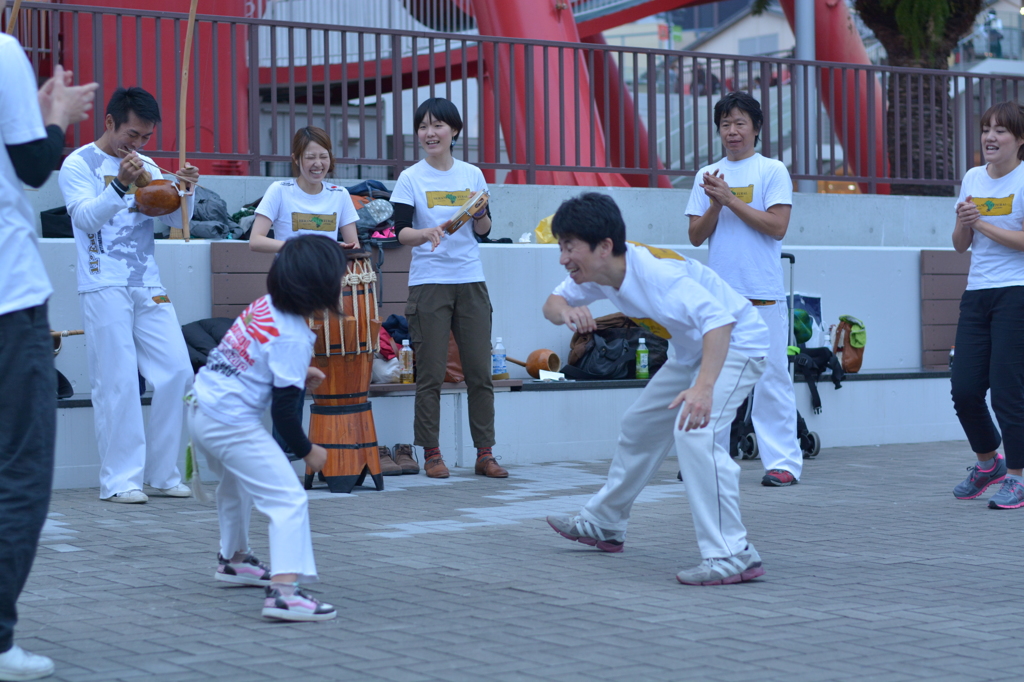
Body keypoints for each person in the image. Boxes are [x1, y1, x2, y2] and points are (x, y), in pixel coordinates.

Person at [542, 193, 770, 585]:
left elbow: (720, 323)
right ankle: (605, 523)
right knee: (639, 425)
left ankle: (733, 553)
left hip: (738, 345)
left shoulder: (658, 275)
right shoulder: (599, 273)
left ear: (604, 247)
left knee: (695, 433)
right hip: (692, 352)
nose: (563, 258)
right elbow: (552, 302)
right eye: (561, 247)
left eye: (569, 247)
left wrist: (703, 388)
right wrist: (567, 312)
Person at [0, 36, 98, 681]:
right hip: (8, 302)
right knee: (20, 470)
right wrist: (55, 116)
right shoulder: (3, 51)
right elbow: (35, 165)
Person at [188, 235, 342, 621]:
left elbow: (252, 355)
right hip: (230, 424)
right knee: (289, 500)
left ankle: (234, 559)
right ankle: (285, 594)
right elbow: (286, 415)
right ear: (318, 287)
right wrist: (309, 452)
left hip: (201, 410)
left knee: (235, 484)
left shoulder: (265, 306)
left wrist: (297, 372)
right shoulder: (293, 335)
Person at [58, 87, 199, 503]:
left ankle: (163, 473)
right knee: (116, 380)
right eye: (132, 135)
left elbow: (173, 216)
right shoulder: (78, 163)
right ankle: (121, 480)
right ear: (109, 123)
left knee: (178, 372)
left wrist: (186, 189)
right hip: (103, 281)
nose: (137, 145)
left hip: (147, 282)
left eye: (145, 138)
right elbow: (84, 219)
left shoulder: (150, 166)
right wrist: (120, 186)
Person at [685, 91, 803, 488]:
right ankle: (706, 462)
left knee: (771, 380)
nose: (732, 132)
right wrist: (715, 204)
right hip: (719, 298)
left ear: (756, 128)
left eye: (739, 123)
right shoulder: (707, 175)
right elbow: (696, 236)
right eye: (725, 124)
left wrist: (730, 199)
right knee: (713, 382)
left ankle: (783, 463)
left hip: (763, 294)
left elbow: (777, 227)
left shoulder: (772, 170)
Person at [390, 97, 507, 479]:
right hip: (429, 284)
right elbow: (400, 233)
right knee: (430, 373)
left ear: (454, 131)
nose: (429, 133)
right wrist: (424, 234)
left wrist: (481, 214)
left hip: (470, 280)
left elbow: (484, 231)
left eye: (437, 125)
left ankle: (485, 453)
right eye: (423, 127)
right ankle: (432, 453)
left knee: (479, 372)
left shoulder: (472, 174)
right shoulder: (411, 178)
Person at [950, 101, 1024, 509]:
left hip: (1017, 292)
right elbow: (960, 245)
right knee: (964, 389)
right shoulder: (974, 177)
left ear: (1020, 140)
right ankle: (987, 464)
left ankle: (1017, 476)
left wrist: (981, 223)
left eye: (1001, 131)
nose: (990, 137)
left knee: (1009, 391)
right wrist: (965, 221)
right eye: (986, 129)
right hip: (977, 294)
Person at [248, 126, 360, 253]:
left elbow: (354, 246)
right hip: (289, 272)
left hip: (327, 272)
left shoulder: (340, 194)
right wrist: (303, 248)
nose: (318, 163)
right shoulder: (279, 190)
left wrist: (338, 250)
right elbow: (256, 241)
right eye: (310, 157)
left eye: (323, 156)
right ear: (296, 159)